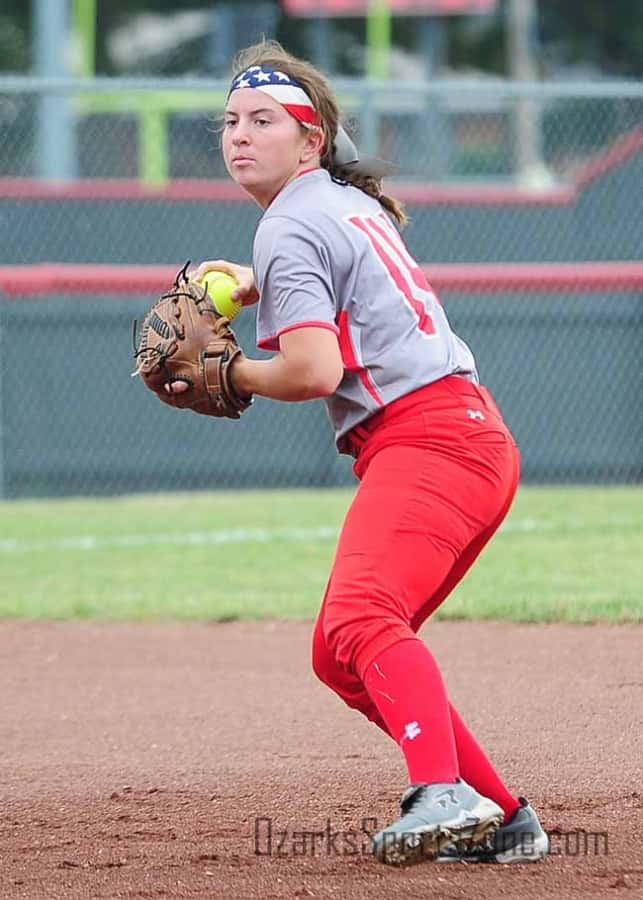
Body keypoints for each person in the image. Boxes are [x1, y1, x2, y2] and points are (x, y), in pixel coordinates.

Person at [174, 40, 549, 866]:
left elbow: (314, 371)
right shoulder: (342, 202)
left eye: (263, 120)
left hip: (431, 441)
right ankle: (499, 815)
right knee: (340, 652)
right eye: (230, 121)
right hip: (460, 436)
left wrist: (228, 370)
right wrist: (253, 279)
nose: (239, 135)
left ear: (311, 141)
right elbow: (336, 281)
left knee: (359, 620)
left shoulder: (290, 224)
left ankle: (440, 793)